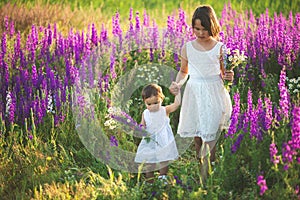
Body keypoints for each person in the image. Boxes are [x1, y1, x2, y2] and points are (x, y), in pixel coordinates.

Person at [169, 5, 233, 184]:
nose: (200, 32)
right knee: (198, 134)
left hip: (213, 91)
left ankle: (210, 171)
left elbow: (225, 73)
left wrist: (229, 75)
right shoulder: (187, 47)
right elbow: (183, 71)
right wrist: (177, 84)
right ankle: (201, 171)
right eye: (196, 28)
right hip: (194, 92)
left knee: (210, 133)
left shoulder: (220, 48)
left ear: (212, 26)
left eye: (204, 29)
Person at [135, 83, 181, 184]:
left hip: (162, 139)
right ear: (144, 103)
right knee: (148, 160)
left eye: (156, 102)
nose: (153, 106)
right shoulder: (145, 113)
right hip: (149, 140)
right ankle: (149, 180)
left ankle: (163, 177)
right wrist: (140, 128)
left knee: (163, 159)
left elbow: (176, 104)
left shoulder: (165, 110)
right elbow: (142, 124)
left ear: (161, 99)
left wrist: (177, 93)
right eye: (149, 104)